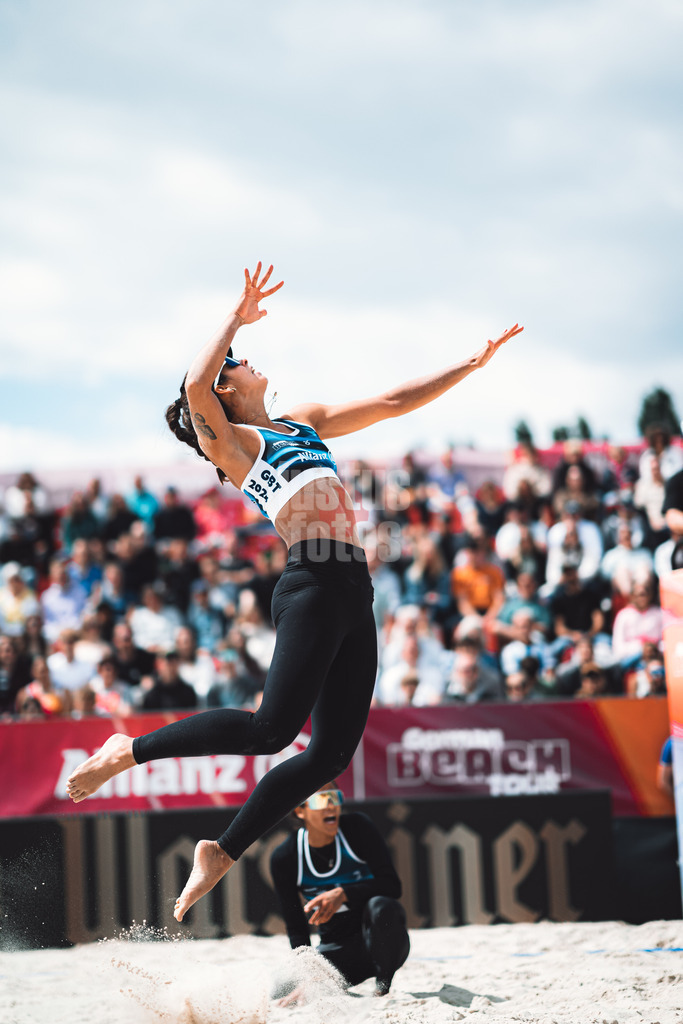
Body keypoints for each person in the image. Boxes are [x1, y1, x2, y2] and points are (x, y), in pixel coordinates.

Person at [66, 261, 522, 923]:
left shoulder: (299, 423)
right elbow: (196, 384)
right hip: (307, 582)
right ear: (224, 391)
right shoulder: (233, 442)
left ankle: (221, 852)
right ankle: (125, 752)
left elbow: (393, 402)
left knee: (330, 754)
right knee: (269, 730)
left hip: (352, 590)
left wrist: (469, 366)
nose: (249, 360)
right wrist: (233, 318)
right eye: (238, 361)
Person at [269, 784, 409, 1001]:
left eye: (335, 797)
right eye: (321, 799)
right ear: (300, 811)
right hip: (337, 950)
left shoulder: (357, 828)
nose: (331, 806)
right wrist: (309, 975)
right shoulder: (285, 856)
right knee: (278, 989)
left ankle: (382, 986)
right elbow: (296, 925)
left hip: (382, 943)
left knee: (382, 906)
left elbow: (392, 886)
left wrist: (343, 893)